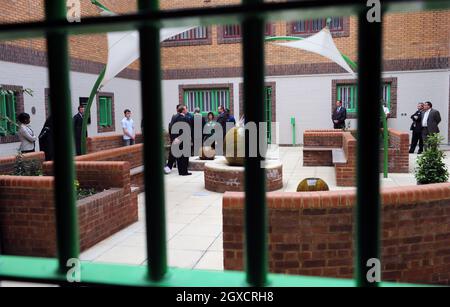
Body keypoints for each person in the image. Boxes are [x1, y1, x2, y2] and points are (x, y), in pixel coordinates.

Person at [170, 105, 191, 176]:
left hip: (177, 139)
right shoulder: (183, 118)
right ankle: (184, 172)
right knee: (184, 156)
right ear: (183, 110)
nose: (187, 110)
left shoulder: (174, 117)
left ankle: (180, 171)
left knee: (179, 157)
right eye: (186, 109)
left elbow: (171, 127)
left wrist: (174, 138)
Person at [164, 104, 182, 174]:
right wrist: (174, 138)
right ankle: (169, 167)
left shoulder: (182, 116)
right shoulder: (175, 116)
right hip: (176, 138)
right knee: (173, 153)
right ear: (177, 109)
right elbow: (172, 127)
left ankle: (175, 167)